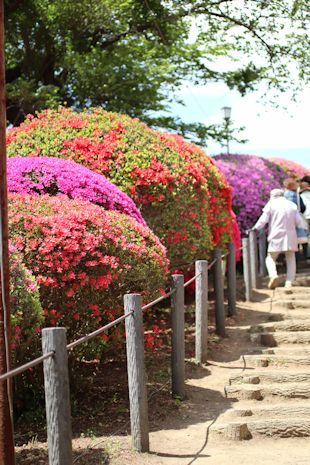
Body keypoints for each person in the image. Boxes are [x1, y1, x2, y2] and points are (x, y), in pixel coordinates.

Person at [252, 188, 305, 289]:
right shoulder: (292, 205)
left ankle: (273, 275)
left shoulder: (271, 205)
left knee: (270, 257)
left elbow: (263, 220)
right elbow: (299, 222)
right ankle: (289, 282)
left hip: (276, 235)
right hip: (291, 236)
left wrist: (254, 228)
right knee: (290, 258)